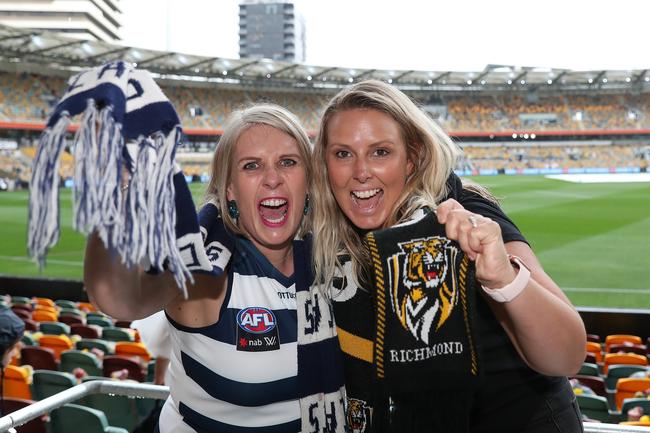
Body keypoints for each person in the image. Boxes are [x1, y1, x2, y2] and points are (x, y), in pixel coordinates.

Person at [311, 80, 587, 433]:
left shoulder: (461, 213)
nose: (361, 171)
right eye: (343, 153)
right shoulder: (328, 232)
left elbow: (567, 354)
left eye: (380, 152)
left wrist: (502, 278)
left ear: (412, 159)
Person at [85, 104, 345, 432]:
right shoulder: (208, 271)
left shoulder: (334, 258)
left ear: (308, 181)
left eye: (288, 162)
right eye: (252, 166)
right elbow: (118, 299)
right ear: (229, 190)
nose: (273, 179)